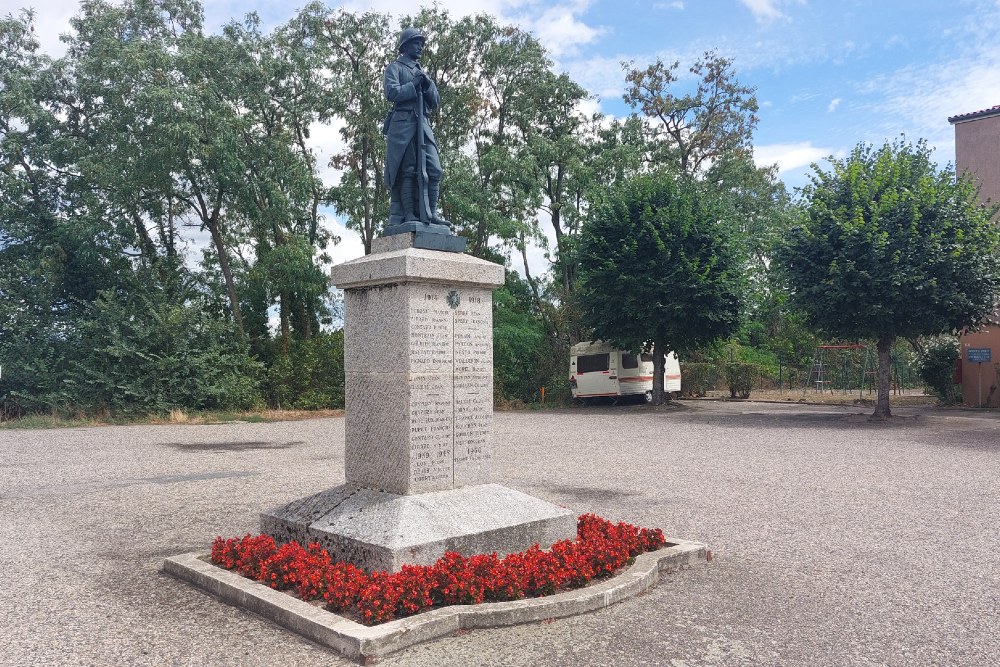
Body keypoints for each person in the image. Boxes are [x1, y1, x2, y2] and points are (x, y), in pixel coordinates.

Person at [383, 27, 449, 227]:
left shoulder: (423, 73)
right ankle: (409, 214)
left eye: (421, 43)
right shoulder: (394, 68)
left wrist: (427, 84)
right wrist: (413, 85)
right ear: (405, 46)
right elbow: (391, 93)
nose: (420, 47)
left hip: (423, 124)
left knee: (434, 169)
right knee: (408, 169)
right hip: (403, 125)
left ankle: (430, 213)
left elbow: (435, 101)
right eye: (416, 43)